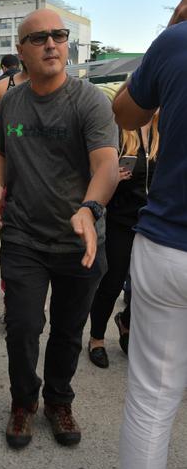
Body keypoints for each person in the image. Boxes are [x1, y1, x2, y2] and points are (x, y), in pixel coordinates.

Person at [0, 8, 119, 450]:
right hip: (23, 236)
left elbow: (106, 165)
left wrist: (89, 207)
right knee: (23, 326)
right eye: (39, 37)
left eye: (59, 35)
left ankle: (58, 400)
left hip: (80, 242)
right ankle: (23, 402)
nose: (51, 43)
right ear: (21, 51)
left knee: (68, 330)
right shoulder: (11, 101)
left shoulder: (90, 101)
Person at [114, 0, 187, 469]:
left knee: (152, 399)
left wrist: (175, 27)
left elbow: (127, 112)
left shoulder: (175, 42)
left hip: (170, 242)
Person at [88, 115, 159, 368]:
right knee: (113, 282)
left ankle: (125, 322)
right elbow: (96, 172)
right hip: (122, 220)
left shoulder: (164, 129)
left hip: (153, 223)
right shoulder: (119, 130)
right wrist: (112, 176)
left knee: (146, 286)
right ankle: (96, 338)